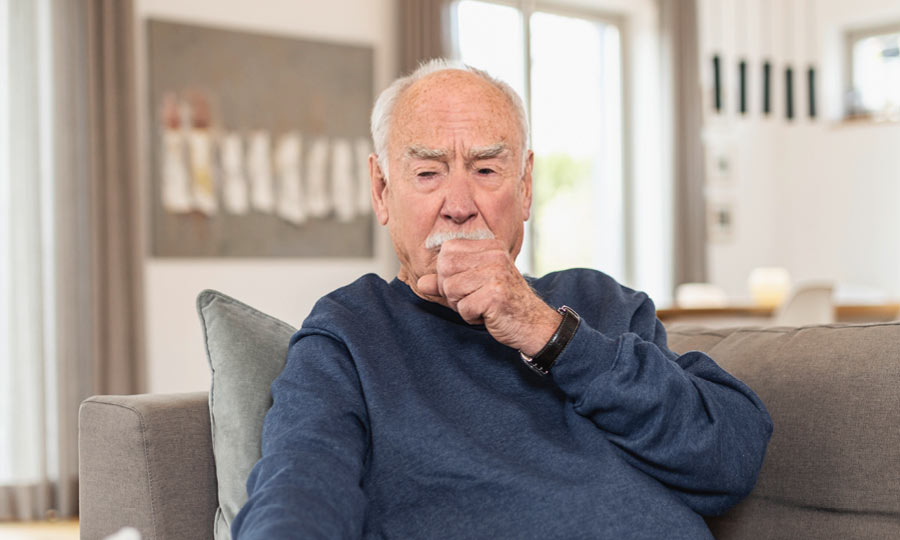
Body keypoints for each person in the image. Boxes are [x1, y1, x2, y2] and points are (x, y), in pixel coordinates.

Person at [232, 59, 773, 539]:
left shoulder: (601, 303)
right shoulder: (349, 333)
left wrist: (550, 335)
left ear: (526, 186)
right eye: (427, 173)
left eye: (487, 170)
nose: (459, 205)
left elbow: (729, 460)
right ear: (381, 190)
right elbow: (299, 487)